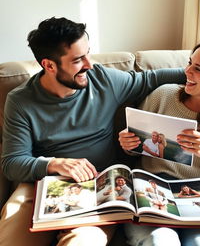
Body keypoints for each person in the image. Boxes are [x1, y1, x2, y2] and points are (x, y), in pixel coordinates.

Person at [0, 17, 186, 246]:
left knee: (85, 242)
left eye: (88, 53)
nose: (89, 64)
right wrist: (54, 164)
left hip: (98, 187)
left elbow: (150, 79)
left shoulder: (102, 80)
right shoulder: (20, 101)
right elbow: (12, 163)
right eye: (78, 59)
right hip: (41, 186)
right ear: (49, 65)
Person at [119, 30, 200, 246]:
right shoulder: (163, 95)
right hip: (152, 189)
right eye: (189, 63)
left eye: (197, 69)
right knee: (162, 241)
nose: (186, 71)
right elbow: (136, 144)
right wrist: (128, 143)